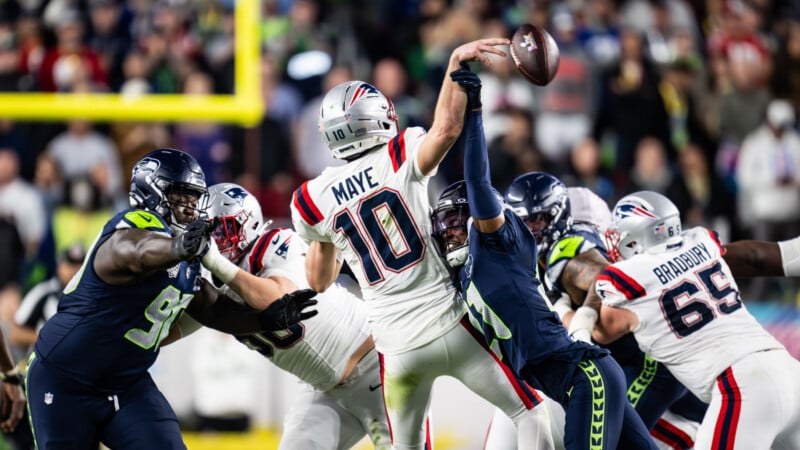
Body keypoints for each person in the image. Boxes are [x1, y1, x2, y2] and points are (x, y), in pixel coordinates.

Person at [291, 39, 559, 450]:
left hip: (395, 348)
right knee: (529, 411)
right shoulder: (398, 153)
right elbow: (448, 129)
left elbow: (320, 281)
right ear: (378, 118)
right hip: (451, 322)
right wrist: (454, 65)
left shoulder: (312, 197)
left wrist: (324, 236)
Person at [26, 148, 318, 449]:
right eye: (182, 197)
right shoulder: (134, 226)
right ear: (153, 192)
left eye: (195, 199)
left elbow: (213, 309)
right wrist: (177, 247)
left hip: (127, 382)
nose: (191, 208)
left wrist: (264, 319)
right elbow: (134, 252)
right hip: (65, 378)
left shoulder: (187, 252)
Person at [428, 68, 657, 450]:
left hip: (586, 375)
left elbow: (478, 182)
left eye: (456, 220)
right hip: (568, 380)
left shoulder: (498, 246)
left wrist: (474, 114)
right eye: (444, 222)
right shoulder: (466, 270)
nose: (450, 230)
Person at [489, 176, 704, 449]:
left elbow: (606, 277)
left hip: (648, 362)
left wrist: (582, 318)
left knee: (618, 437)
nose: (529, 231)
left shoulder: (564, 253)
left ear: (558, 216)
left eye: (538, 221)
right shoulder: (562, 247)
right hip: (641, 356)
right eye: (522, 223)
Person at [593, 190, 800, 449]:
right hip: (789, 370)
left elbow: (599, 331)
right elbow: (753, 257)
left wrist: (563, 306)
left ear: (634, 237)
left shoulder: (626, 277)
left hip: (744, 386)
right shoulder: (700, 241)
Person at [205, 182, 391, 449]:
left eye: (224, 228)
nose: (216, 238)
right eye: (210, 230)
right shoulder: (213, 276)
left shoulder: (278, 243)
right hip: (323, 390)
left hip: (378, 368)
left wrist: (214, 262)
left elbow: (275, 299)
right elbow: (179, 326)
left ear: (248, 223)